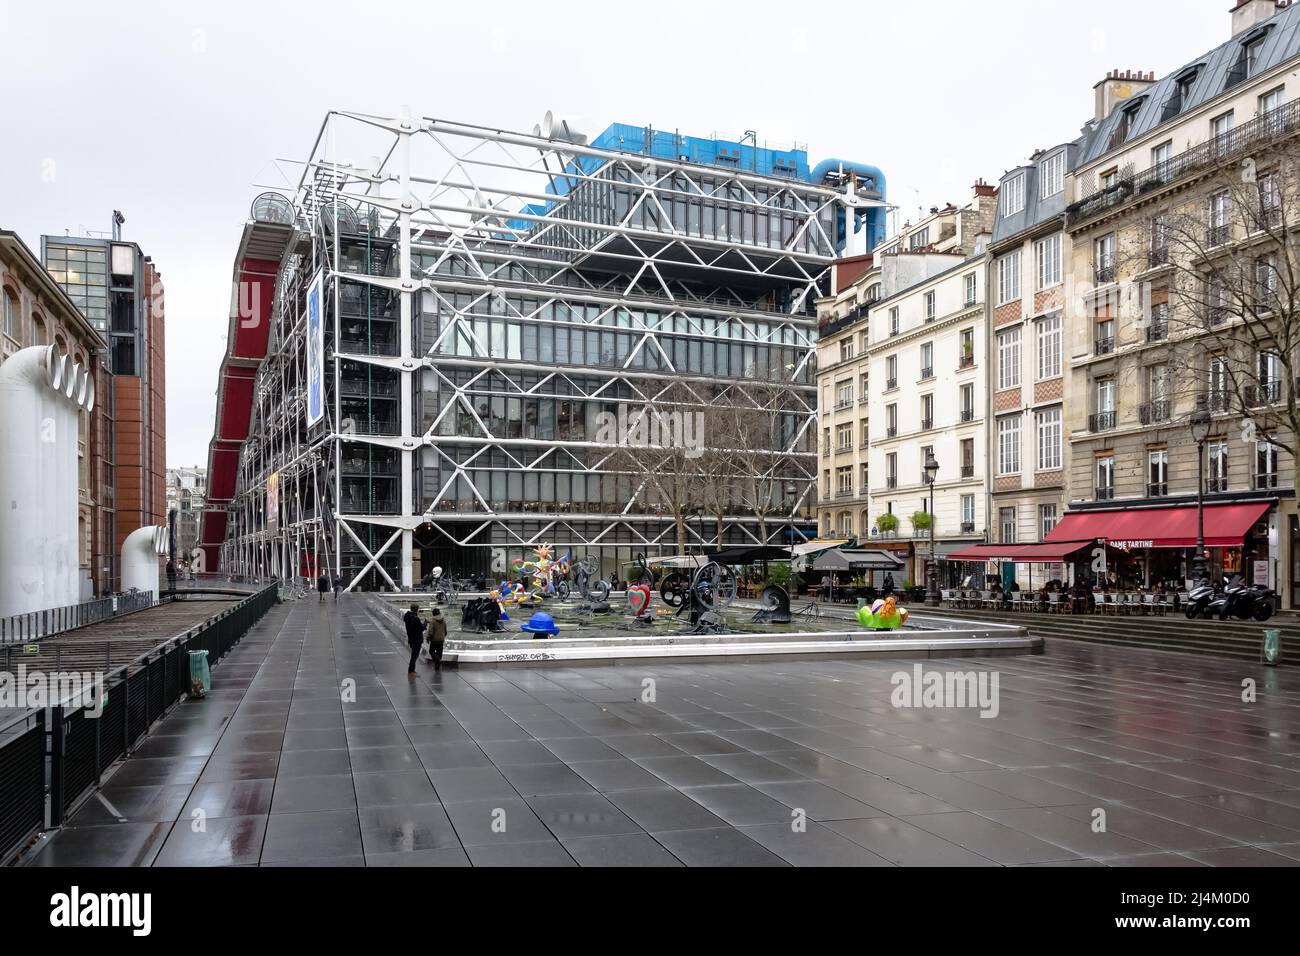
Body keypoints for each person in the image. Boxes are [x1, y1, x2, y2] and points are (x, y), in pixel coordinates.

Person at [403, 603, 426, 676]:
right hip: (416, 639)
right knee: (415, 655)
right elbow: (421, 628)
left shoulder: (407, 616)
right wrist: (425, 623)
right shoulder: (415, 618)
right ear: (417, 609)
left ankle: (411, 670)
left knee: (414, 654)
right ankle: (411, 671)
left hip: (411, 638)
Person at [425, 606, 447, 671]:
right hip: (441, 639)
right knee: (439, 652)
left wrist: (428, 637)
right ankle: (437, 666)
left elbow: (431, 632)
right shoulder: (443, 620)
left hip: (434, 639)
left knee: (431, 651)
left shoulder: (433, 621)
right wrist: (443, 636)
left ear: (433, 614)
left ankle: (437, 661)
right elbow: (445, 631)